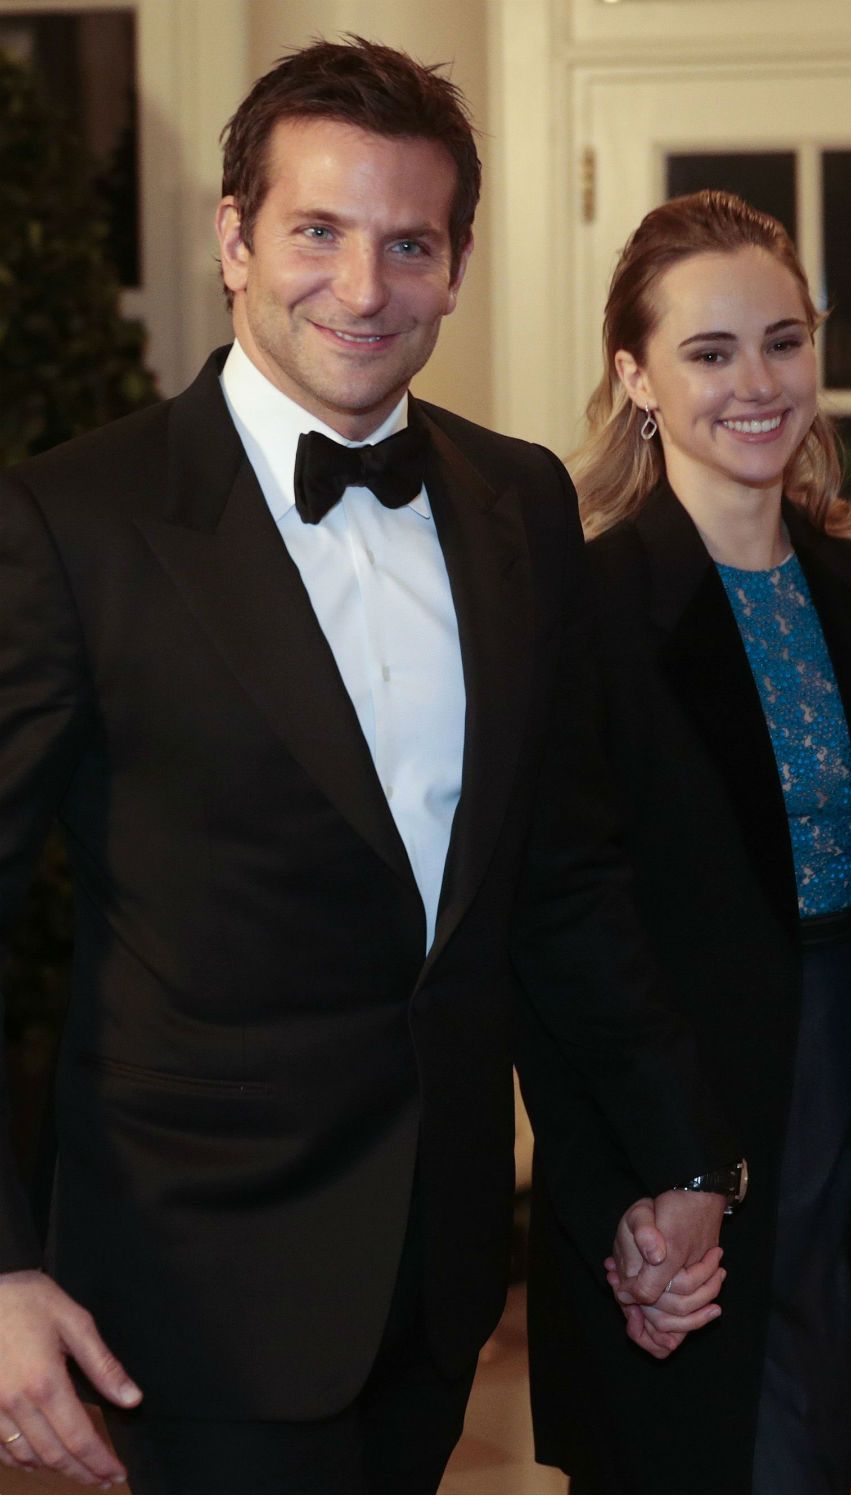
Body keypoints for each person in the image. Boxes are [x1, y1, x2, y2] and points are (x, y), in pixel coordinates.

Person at [0, 42, 740, 1496]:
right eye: (317, 233)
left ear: (457, 266)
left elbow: (562, 876)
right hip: (186, 1286)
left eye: (410, 244)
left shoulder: (519, 501)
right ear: (235, 240)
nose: (362, 287)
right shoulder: (72, 522)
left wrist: (686, 1161)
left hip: (443, 1269)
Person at [526, 189, 851, 1495]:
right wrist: (653, 1165)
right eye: (710, 351)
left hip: (839, 1077)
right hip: (670, 1094)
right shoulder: (588, 604)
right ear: (635, 375)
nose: (759, 382)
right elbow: (571, 920)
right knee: (681, 1455)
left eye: (784, 341)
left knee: (802, 1443)